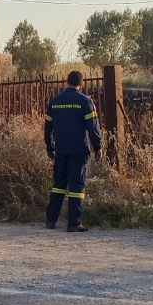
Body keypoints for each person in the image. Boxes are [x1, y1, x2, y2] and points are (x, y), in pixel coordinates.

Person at [43, 71, 102, 232]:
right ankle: (74, 223)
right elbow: (93, 127)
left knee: (58, 185)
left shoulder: (55, 101)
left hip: (61, 150)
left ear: (66, 81)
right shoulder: (85, 101)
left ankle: (51, 220)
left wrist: (50, 147)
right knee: (77, 186)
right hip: (79, 150)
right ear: (81, 84)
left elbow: (48, 128)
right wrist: (97, 147)